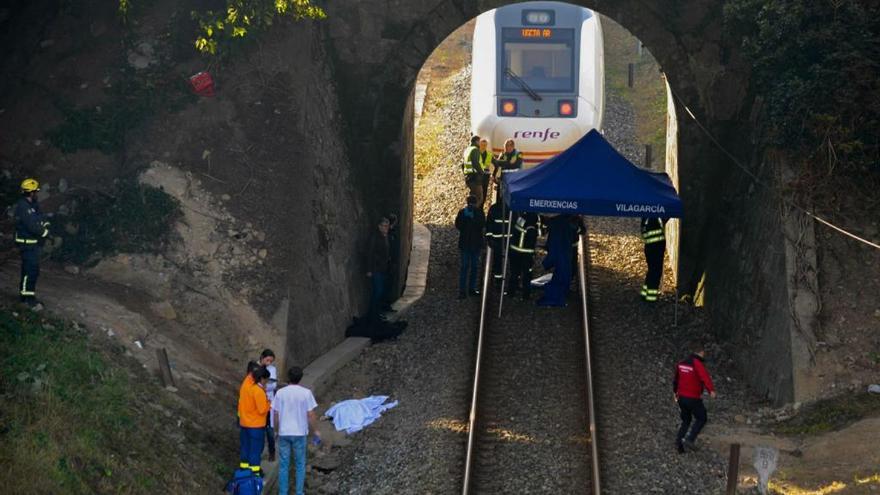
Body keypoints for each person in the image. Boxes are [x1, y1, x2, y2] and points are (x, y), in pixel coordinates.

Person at [273, 366, 321, 495]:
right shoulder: (306, 393)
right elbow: (311, 414)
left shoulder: (280, 393)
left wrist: (277, 430)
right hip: (299, 433)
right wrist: (316, 430)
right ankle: (299, 492)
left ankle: (283, 493)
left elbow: (276, 414)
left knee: (284, 465)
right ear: (300, 378)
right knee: (300, 464)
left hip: (284, 433)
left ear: (289, 377)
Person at [673, 342, 716, 453]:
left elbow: (676, 380)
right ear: (701, 352)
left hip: (681, 397)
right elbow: (705, 377)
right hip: (692, 398)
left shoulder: (681, 363)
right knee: (702, 418)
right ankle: (690, 439)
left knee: (686, 420)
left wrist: (675, 394)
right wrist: (711, 390)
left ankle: (679, 445)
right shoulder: (697, 363)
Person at [14, 178, 50, 309]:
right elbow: (32, 225)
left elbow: (41, 217)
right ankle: (26, 298)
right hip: (27, 244)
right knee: (29, 270)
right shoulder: (23, 206)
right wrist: (45, 233)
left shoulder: (32, 205)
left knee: (33, 270)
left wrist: (46, 224)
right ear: (31, 192)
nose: (37, 194)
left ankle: (29, 296)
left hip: (33, 244)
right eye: (36, 192)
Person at [538, 214, 577, 307]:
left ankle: (556, 296)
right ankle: (563, 292)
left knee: (561, 274)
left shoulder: (556, 225)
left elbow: (553, 248)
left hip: (562, 254)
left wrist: (546, 263)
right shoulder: (567, 224)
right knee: (565, 272)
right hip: (566, 252)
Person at [238, 366, 271, 476]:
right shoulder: (258, 391)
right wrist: (269, 404)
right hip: (256, 426)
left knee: (245, 448)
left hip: (244, 424)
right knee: (255, 450)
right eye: (266, 380)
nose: (267, 382)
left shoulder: (246, 387)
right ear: (262, 379)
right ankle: (255, 472)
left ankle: (244, 470)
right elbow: (262, 410)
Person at [454, 195, 486, 299]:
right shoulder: (468, 213)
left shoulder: (466, 212)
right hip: (471, 244)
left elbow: (481, 224)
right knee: (471, 267)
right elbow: (458, 225)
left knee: (468, 267)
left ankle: (465, 290)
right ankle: (468, 290)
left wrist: (470, 218)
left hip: (468, 244)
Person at [507, 211, 538, 300]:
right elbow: (531, 242)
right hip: (525, 254)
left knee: (514, 273)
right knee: (527, 275)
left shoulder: (521, 219)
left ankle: (511, 292)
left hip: (514, 251)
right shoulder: (531, 226)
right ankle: (526, 295)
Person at [366, 217, 391, 321]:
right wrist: (369, 269)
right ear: (379, 226)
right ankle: (373, 313)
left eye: (387, 226)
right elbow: (370, 253)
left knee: (379, 291)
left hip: (382, 268)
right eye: (384, 226)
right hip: (375, 268)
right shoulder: (375, 237)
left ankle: (376, 312)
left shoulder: (384, 236)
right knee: (378, 291)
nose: (386, 228)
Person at [641, 217, 667, 302]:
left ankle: (645, 294)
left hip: (649, 246)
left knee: (651, 271)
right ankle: (651, 298)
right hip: (656, 247)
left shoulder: (646, 216)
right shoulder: (655, 217)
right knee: (655, 272)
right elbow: (664, 218)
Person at [485, 197, 510, 284]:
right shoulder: (510, 208)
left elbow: (489, 224)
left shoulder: (493, 208)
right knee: (505, 261)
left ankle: (498, 281)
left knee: (498, 261)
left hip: (497, 240)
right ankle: (503, 281)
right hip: (508, 240)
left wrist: (489, 238)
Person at [259, 349, 278, 462]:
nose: (269, 363)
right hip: (258, 402)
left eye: (271, 361)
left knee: (269, 429)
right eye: (267, 360)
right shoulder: (255, 367)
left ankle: (272, 451)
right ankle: (259, 452)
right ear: (262, 357)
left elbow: (274, 384)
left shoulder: (272, 369)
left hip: (268, 400)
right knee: (260, 429)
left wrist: (264, 387)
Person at [461, 136, 484, 207]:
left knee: (472, 198)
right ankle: (473, 214)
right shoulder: (475, 150)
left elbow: (462, 165)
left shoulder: (467, 150)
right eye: (480, 142)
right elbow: (475, 163)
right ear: (476, 141)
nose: (480, 144)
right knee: (479, 198)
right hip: (475, 178)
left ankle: (468, 213)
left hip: (468, 177)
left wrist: (465, 174)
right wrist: (482, 173)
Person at [478, 139, 492, 207]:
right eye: (482, 145)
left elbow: (496, 164)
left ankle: (481, 208)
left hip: (485, 177)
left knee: (484, 194)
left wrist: (494, 175)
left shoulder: (489, 154)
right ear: (479, 145)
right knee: (477, 194)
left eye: (485, 145)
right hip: (477, 176)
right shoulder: (475, 154)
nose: (483, 146)